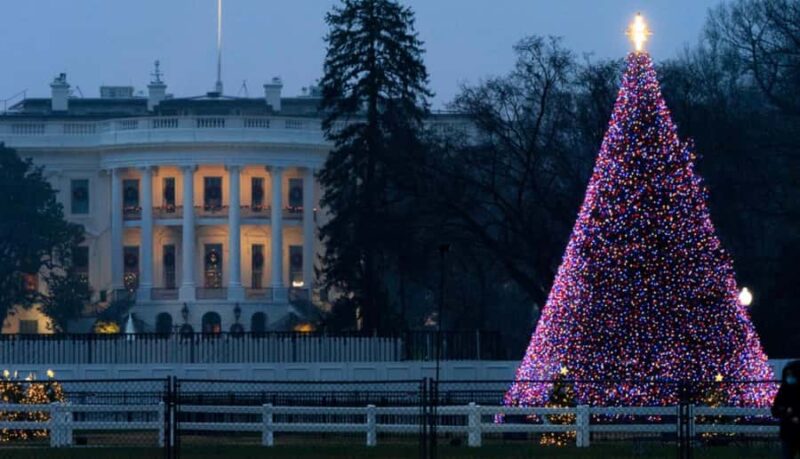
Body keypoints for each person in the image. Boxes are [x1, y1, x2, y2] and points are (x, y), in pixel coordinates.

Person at [773, 360, 800, 459]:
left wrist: (791, 413)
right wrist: (787, 412)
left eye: (792, 374)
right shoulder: (783, 391)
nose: (789, 377)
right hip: (787, 433)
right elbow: (775, 410)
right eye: (788, 374)